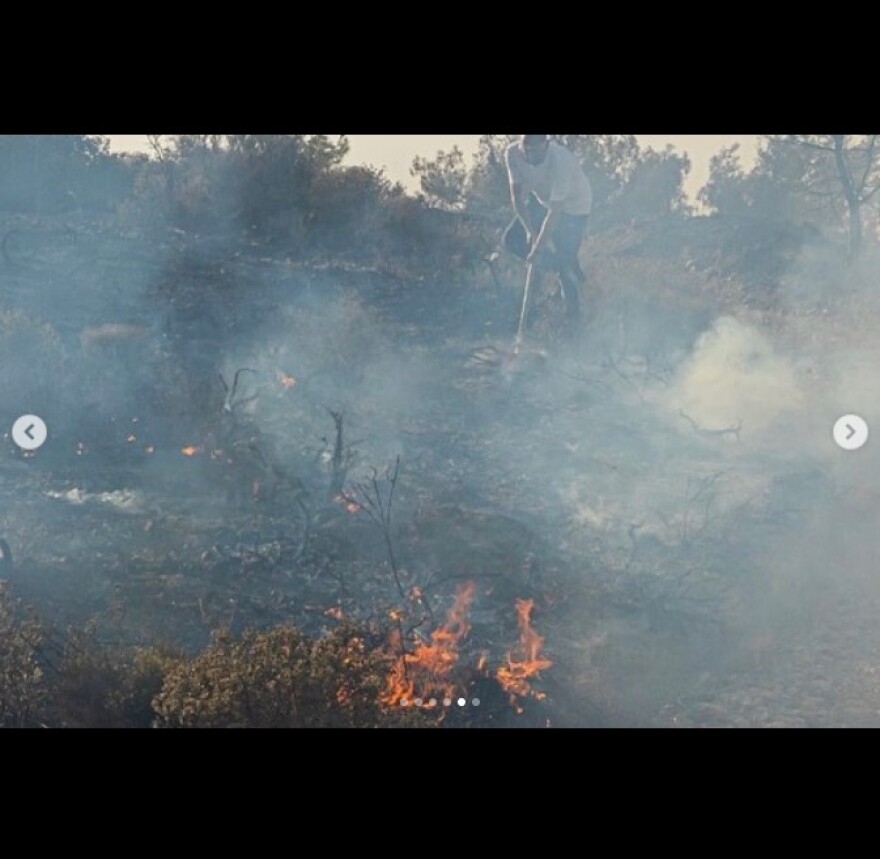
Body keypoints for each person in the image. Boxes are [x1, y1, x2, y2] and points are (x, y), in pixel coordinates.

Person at [503, 135, 592, 331]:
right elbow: (517, 198)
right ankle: (557, 266)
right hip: (542, 200)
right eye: (528, 150)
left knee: (564, 264)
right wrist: (530, 231)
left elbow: (554, 214)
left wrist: (538, 246)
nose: (531, 155)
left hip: (574, 208)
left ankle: (573, 323)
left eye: (536, 150)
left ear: (547, 145)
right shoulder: (512, 154)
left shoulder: (561, 160)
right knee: (512, 240)